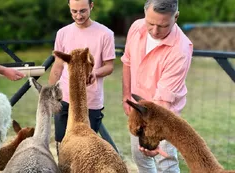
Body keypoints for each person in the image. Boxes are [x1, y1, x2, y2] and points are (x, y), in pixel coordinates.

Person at [121, 0, 193, 172]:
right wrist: (126, 96)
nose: (154, 31)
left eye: (162, 26)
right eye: (150, 23)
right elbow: (127, 62)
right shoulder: (137, 27)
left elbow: (162, 102)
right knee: (140, 158)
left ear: (176, 17)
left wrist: (151, 137)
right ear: (144, 13)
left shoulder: (180, 50)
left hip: (163, 116)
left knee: (166, 164)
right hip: (138, 110)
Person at [48, 0, 115, 153]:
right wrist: (50, 95)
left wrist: (94, 73)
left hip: (90, 101)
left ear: (92, 5)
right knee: (62, 145)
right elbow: (57, 66)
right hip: (64, 98)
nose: (78, 16)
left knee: (87, 149)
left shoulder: (105, 34)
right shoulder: (63, 33)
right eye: (74, 11)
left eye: (83, 11)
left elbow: (109, 66)